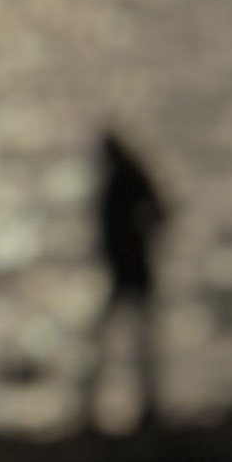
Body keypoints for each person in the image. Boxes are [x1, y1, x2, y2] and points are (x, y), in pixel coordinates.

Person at [85, 127, 171, 431]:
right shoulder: (123, 179)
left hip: (130, 271)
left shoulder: (125, 179)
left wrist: (142, 242)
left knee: (129, 338)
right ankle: (138, 404)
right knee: (129, 338)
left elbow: (162, 212)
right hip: (124, 271)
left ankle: (145, 405)